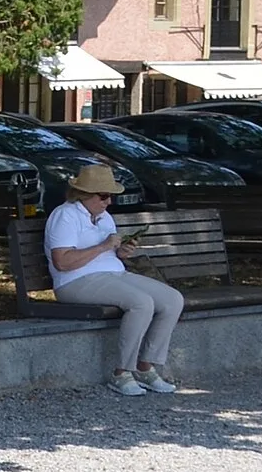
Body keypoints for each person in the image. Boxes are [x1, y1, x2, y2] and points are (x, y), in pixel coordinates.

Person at [43, 159, 184, 396]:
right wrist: (102, 247)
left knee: (172, 299)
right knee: (141, 302)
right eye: (103, 196)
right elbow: (63, 262)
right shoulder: (65, 215)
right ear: (83, 194)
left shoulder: (103, 216)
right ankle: (121, 373)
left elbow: (109, 251)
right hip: (76, 281)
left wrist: (122, 251)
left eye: (110, 196)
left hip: (114, 273)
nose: (109, 201)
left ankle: (146, 367)